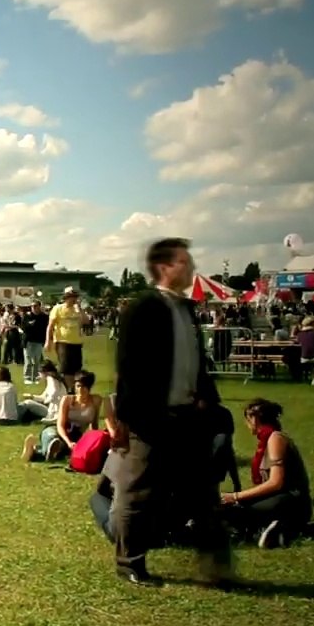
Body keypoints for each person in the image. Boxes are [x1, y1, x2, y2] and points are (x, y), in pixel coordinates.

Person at [112, 237, 233, 587]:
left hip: (188, 416)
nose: (191, 267)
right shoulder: (143, 308)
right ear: (165, 267)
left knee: (204, 490)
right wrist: (140, 416)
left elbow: (197, 362)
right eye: (184, 261)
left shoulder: (187, 308)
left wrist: (207, 398)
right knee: (137, 492)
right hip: (151, 419)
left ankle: (216, 566)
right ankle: (130, 561)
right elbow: (130, 368)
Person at [220, 399, 312, 548]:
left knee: (237, 509)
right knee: (230, 507)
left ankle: (272, 530)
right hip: (279, 499)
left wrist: (236, 496)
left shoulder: (276, 439)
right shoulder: (267, 440)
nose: (247, 424)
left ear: (254, 419)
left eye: (247, 419)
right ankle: (269, 529)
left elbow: (276, 483)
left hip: (291, 502)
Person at [21, 370, 101, 462]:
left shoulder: (95, 400)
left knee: (65, 451)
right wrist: (68, 442)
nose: (81, 390)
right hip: (58, 430)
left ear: (89, 387)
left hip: (76, 435)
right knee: (53, 438)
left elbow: (94, 425)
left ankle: (34, 452)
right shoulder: (67, 400)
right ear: (74, 386)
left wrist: (93, 442)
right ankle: (47, 449)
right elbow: (60, 425)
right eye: (78, 386)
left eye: (84, 387)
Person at [45, 288, 85, 388]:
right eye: (72, 297)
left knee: (77, 369)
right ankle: (68, 389)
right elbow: (50, 326)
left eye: (75, 297)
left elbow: (86, 321)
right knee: (66, 368)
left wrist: (80, 309)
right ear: (66, 298)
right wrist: (48, 341)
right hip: (63, 341)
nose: (74, 300)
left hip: (76, 343)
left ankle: (74, 388)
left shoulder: (77, 310)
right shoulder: (58, 309)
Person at [22, 301, 49, 384]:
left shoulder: (44, 317)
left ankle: (36, 377)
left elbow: (46, 328)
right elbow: (23, 327)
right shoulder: (27, 316)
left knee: (37, 360)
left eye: (35, 306)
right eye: (32, 306)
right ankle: (28, 377)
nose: (33, 307)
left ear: (39, 306)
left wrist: (45, 340)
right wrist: (29, 324)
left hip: (38, 341)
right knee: (28, 360)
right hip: (28, 341)